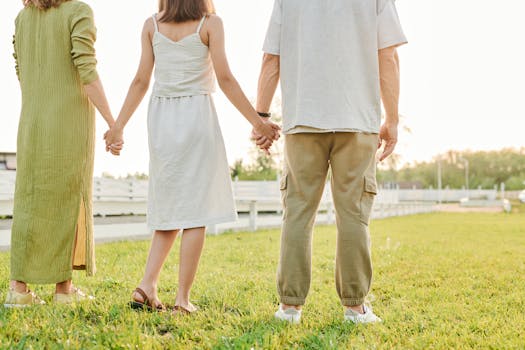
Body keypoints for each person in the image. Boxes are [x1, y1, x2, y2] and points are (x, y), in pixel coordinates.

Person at [104, 0, 280, 313]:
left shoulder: (151, 24)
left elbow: (140, 80)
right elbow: (225, 78)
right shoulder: (211, 23)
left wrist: (118, 127)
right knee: (196, 211)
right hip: (197, 115)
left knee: (169, 204)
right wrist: (258, 122)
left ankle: (147, 286)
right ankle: (182, 300)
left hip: (161, 120)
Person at [254, 0, 407, 323]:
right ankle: (355, 307)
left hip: (303, 119)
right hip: (357, 121)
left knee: (297, 212)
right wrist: (392, 119)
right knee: (353, 215)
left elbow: (271, 58)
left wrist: (262, 116)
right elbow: (388, 56)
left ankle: (289, 307)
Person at [5, 0, 121, 307]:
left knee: (29, 198)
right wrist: (113, 122)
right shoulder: (79, 11)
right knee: (68, 196)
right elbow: (87, 70)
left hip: (31, 122)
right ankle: (63, 289)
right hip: (69, 122)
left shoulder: (22, 18)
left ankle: (18, 288)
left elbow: (21, 70)